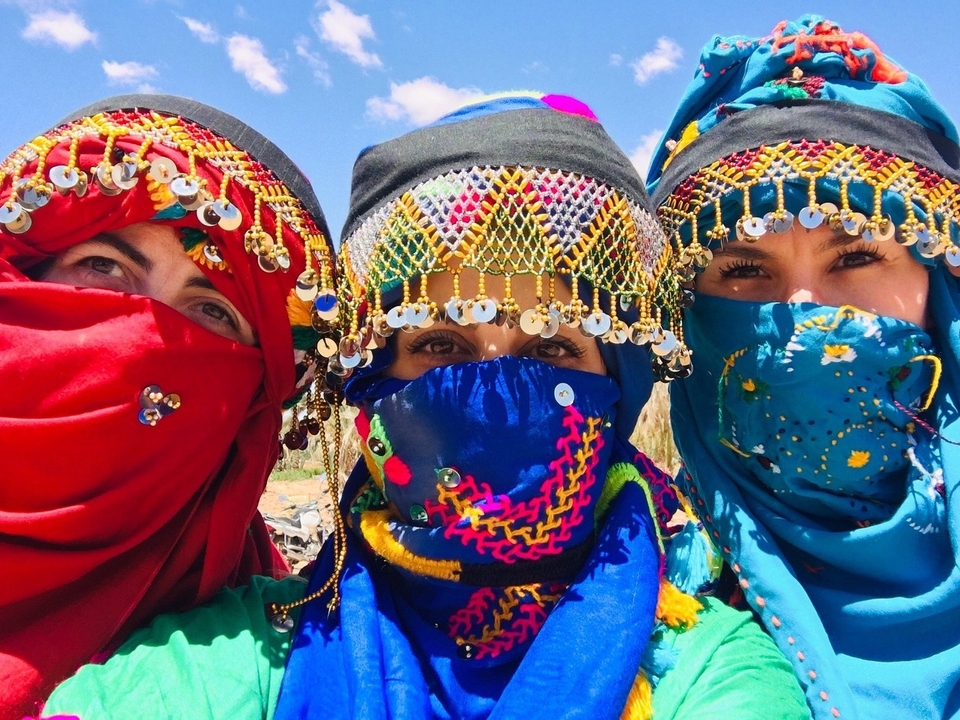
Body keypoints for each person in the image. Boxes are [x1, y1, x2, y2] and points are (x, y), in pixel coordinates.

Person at [41, 93, 807, 720]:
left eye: (551, 352)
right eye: (440, 348)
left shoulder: (708, 670)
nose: (499, 397)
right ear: (372, 388)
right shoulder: (240, 658)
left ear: (621, 389)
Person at [646, 15, 960, 720]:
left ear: (939, 285)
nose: (803, 316)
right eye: (741, 270)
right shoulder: (636, 599)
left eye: (855, 257)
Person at [0, 95, 338, 719]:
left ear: (253, 401)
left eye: (212, 311)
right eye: (101, 266)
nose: (144, 335)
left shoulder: (271, 654)